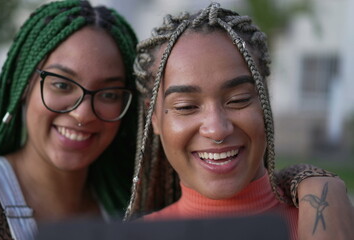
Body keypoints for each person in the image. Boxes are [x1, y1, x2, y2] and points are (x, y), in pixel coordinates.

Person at [125, 2, 354, 240]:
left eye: (238, 100)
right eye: (186, 106)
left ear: (264, 100)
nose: (216, 129)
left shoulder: (336, 226)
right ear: (154, 117)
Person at [0, 1, 138, 239]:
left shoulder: (133, 208)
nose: (83, 114)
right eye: (62, 84)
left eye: (109, 94)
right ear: (25, 85)